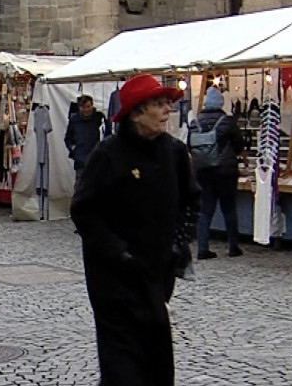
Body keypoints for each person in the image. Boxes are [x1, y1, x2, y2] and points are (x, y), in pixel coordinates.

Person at [70, 73, 199, 386]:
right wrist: (119, 252)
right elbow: (84, 211)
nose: (168, 109)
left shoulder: (174, 152)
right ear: (137, 113)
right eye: (159, 104)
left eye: (168, 103)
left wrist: (177, 244)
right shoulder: (108, 155)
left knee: (156, 364)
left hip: (155, 277)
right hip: (113, 281)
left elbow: (191, 201)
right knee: (122, 368)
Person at [192, 86, 246, 259]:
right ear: (221, 103)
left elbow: (189, 145)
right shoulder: (227, 122)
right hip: (225, 172)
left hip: (203, 171)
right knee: (229, 209)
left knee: (205, 210)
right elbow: (239, 144)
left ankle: (202, 247)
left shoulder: (195, 123)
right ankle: (233, 246)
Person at [66, 95, 109, 182]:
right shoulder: (74, 120)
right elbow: (68, 138)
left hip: (97, 161)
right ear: (79, 107)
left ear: (92, 105)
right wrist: (73, 148)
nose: (86, 110)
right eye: (83, 107)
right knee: (80, 188)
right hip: (80, 161)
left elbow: (108, 135)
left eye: (88, 106)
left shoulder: (99, 118)